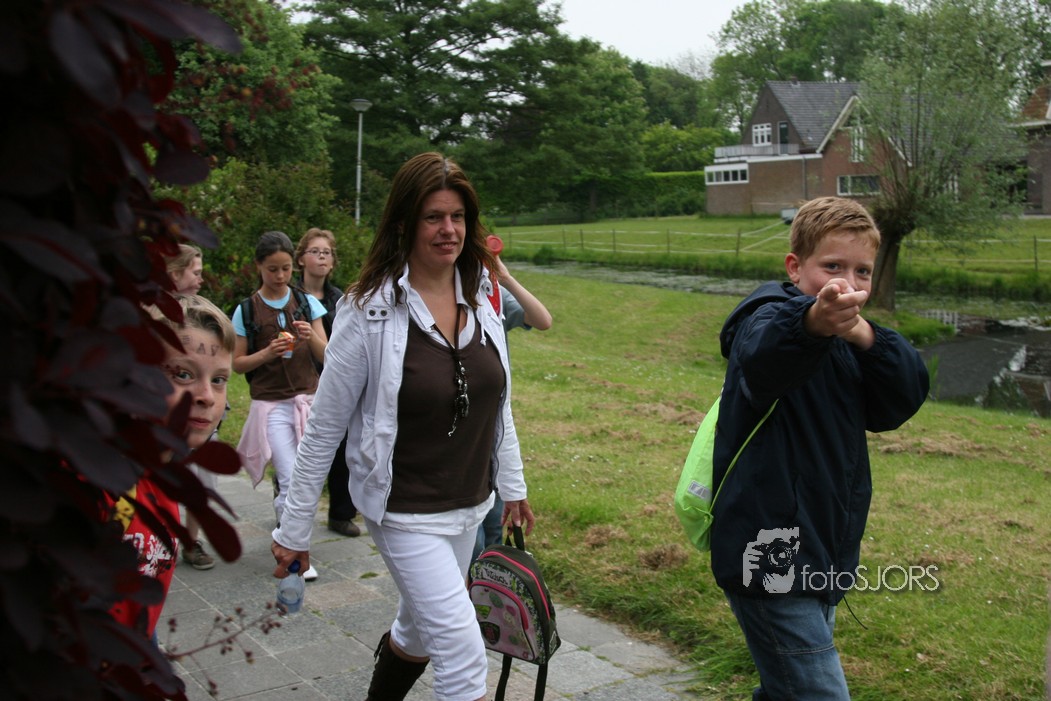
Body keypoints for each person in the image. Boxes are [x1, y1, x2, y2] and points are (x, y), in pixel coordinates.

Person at [270, 152, 535, 701]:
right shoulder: (369, 310)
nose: (448, 229)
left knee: (416, 632)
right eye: (433, 217)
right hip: (404, 508)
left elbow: (497, 403)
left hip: (469, 503)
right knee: (462, 655)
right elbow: (324, 427)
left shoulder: (480, 297)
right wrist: (293, 531)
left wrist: (512, 485)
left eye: (458, 217)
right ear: (405, 224)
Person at [710, 196, 929, 699]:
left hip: (823, 548)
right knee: (817, 692)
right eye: (832, 267)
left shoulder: (852, 338)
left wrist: (866, 336)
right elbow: (764, 358)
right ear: (795, 267)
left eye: (862, 271)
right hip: (767, 551)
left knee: (787, 688)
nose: (847, 284)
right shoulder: (766, 316)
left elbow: (898, 402)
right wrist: (813, 323)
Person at [106, 294, 235, 638]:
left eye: (219, 379)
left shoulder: (161, 485)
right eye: (183, 374)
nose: (207, 396)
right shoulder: (104, 484)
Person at [232, 231, 328, 581]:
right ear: (259, 266)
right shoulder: (246, 310)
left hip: (307, 401)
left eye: (286, 268)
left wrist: (310, 336)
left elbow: (327, 355)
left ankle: (287, 538)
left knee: (308, 481)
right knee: (290, 479)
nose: (280, 276)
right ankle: (296, 555)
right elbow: (237, 363)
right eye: (272, 269)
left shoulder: (306, 302)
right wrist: (267, 353)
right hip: (271, 406)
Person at [473, 251, 551, 559]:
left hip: (493, 425)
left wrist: (504, 278)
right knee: (472, 540)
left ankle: (486, 582)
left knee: (494, 528)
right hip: (460, 426)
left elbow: (543, 320)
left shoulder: (494, 295)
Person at [293, 228, 361, 538]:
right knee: (297, 449)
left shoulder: (340, 300)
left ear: (333, 262)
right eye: (315, 251)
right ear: (301, 259)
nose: (321, 257)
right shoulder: (288, 297)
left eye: (327, 253)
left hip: (335, 384)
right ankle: (288, 511)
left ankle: (341, 514)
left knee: (343, 449)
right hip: (297, 384)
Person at [164, 243, 216, 570]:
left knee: (203, 481)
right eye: (195, 272)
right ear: (174, 274)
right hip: (168, 420)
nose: (201, 279)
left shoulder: (202, 314)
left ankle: (191, 542)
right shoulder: (152, 316)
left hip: (200, 421)